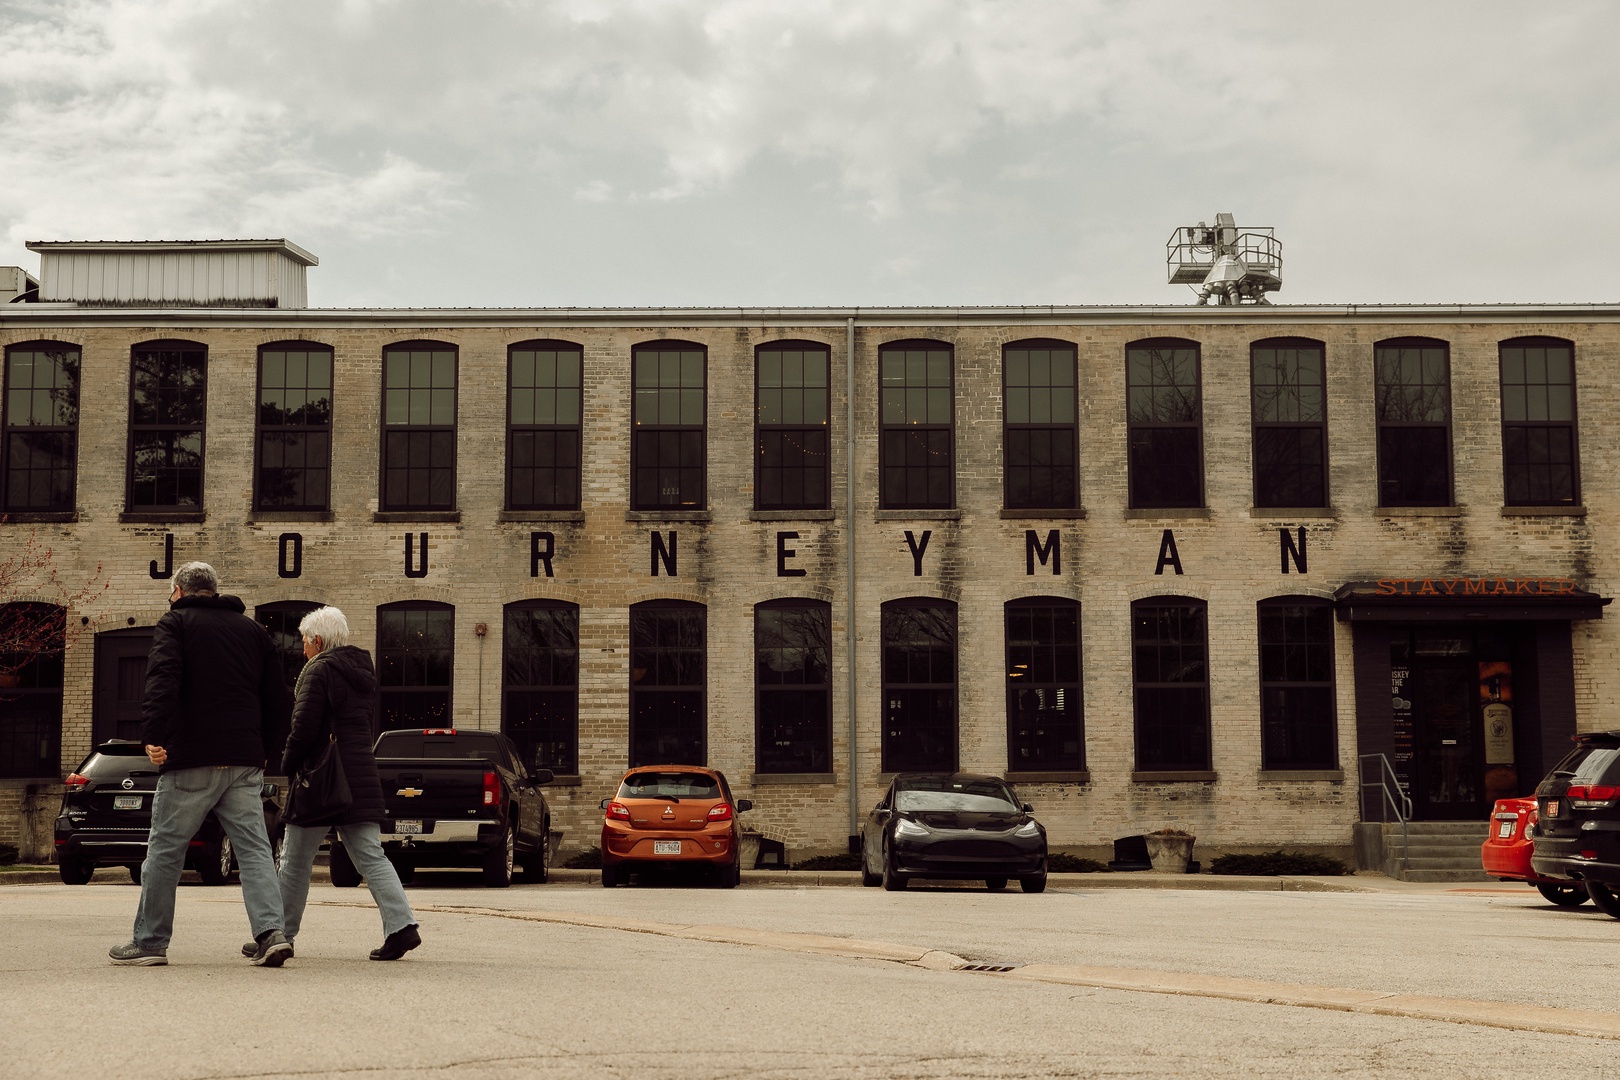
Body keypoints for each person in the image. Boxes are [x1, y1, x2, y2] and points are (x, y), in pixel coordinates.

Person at [110, 562, 294, 967]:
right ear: (214, 590)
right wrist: (265, 748)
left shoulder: (176, 623)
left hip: (191, 756)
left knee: (165, 849)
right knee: (255, 850)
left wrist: (153, 736)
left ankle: (150, 942)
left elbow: (163, 678)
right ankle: (271, 933)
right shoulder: (253, 632)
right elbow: (279, 699)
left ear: (178, 590)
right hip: (245, 759)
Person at [269, 605, 421, 961]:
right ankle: (402, 927)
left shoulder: (318, 670)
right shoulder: (360, 671)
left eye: (305, 641)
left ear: (318, 641)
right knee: (371, 855)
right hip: (358, 775)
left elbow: (304, 727)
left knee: (294, 859)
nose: (302, 648)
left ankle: (280, 933)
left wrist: (288, 764)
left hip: (321, 778)